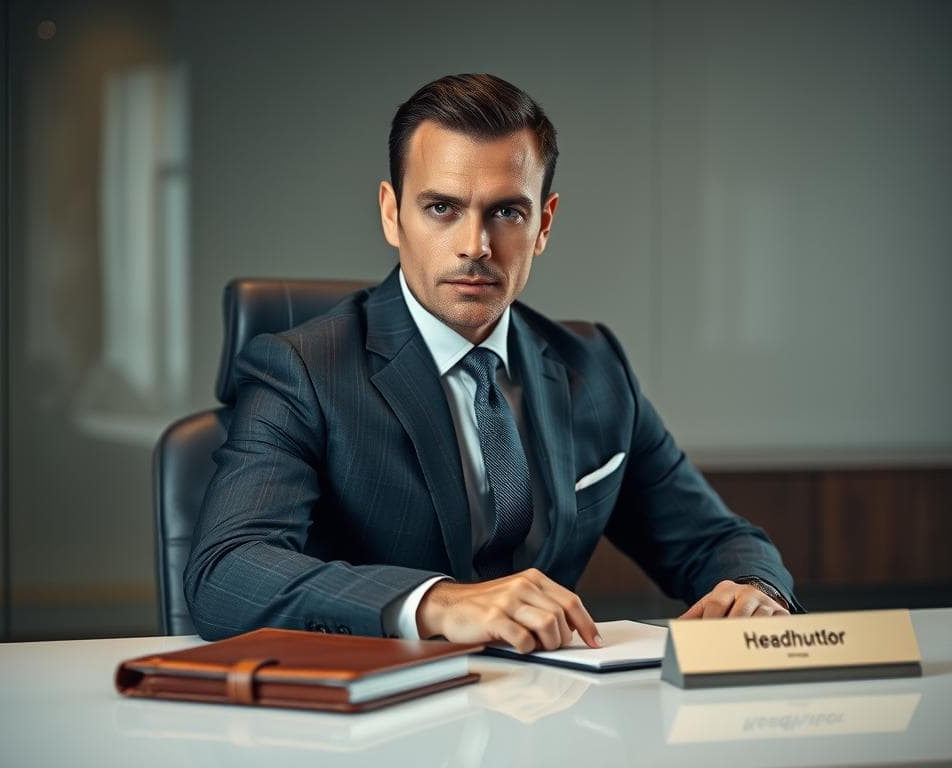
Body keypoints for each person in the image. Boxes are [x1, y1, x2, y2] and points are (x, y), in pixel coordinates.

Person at [185, 73, 802, 652]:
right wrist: (437, 604)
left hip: (546, 723)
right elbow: (226, 571)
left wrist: (755, 592)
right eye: (441, 208)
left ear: (544, 223)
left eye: (507, 212)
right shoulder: (301, 370)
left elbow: (715, 539)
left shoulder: (595, 368)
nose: (475, 246)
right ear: (390, 213)